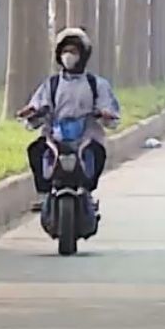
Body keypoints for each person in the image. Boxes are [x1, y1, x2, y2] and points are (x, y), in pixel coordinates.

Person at [18, 27, 120, 212]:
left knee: (98, 153)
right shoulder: (51, 84)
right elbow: (37, 107)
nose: (69, 56)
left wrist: (105, 114)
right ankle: (43, 193)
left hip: (86, 135)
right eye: (65, 51)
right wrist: (32, 113)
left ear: (83, 55)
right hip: (55, 135)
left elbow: (110, 113)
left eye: (73, 51)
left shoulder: (96, 84)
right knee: (36, 150)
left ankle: (88, 191)